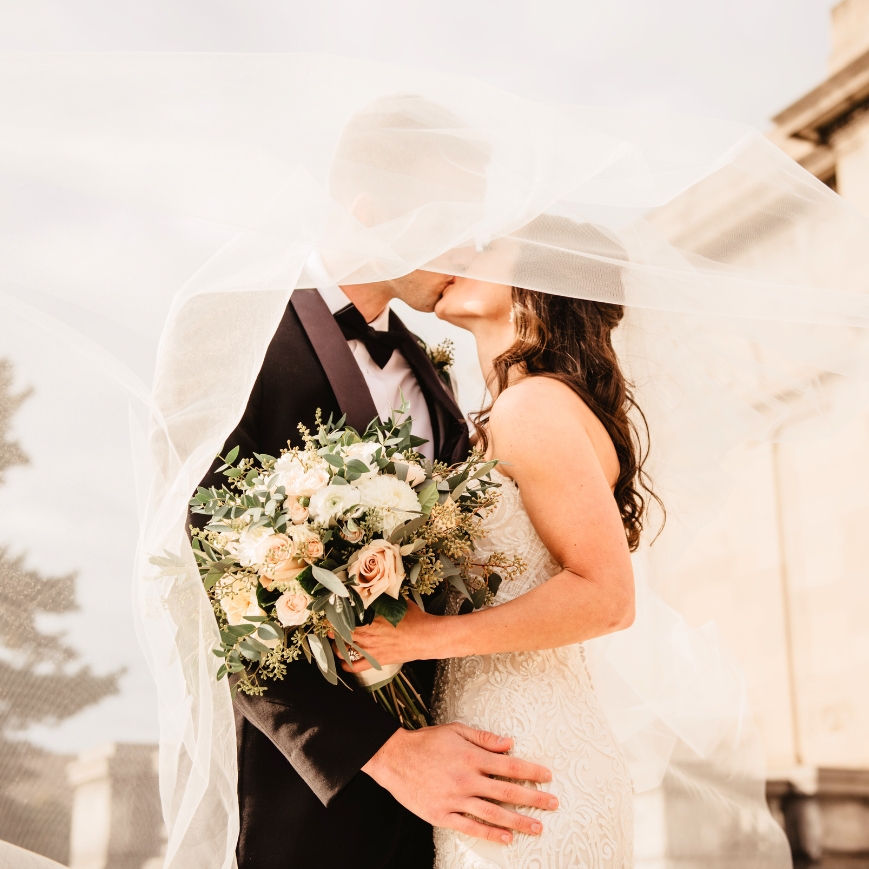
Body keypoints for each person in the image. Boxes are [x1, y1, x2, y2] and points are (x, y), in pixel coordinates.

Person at [347, 274, 652, 867]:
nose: (456, 252)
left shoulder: (533, 405)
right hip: (494, 754)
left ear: (540, 278)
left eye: (485, 245)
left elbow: (608, 596)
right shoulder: (508, 411)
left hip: (528, 760)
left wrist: (421, 637)